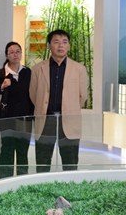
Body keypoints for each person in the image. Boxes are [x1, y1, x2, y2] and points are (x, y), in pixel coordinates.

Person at [29, 29, 88, 172]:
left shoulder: (79, 69)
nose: (60, 45)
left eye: (64, 42)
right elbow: (33, 95)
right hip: (46, 120)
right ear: (49, 46)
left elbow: (82, 96)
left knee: (70, 162)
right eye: (56, 42)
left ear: (68, 46)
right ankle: (43, 186)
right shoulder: (37, 69)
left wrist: (69, 109)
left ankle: (69, 186)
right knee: (42, 162)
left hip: (69, 120)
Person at [0, 42, 34, 178]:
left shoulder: (28, 72)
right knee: (7, 149)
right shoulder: (0, 73)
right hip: (7, 118)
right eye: (12, 52)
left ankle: (22, 180)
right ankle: (4, 180)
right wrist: (2, 86)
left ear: (21, 54)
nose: (15, 54)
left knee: (23, 151)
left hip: (25, 118)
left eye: (18, 51)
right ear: (7, 55)